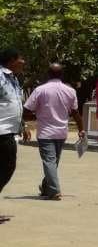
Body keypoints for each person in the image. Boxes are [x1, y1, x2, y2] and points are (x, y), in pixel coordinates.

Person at [23, 63, 80, 201]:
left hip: (45, 132)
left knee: (50, 162)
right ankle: (46, 188)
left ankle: (54, 191)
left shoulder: (40, 90)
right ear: (62, 75)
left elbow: (26, 110)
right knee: (53, 162)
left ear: (48, 74)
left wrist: (36, 115)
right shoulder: (70, 91)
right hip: (61, 132)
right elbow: (75, 112)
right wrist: (82, 129)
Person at [0, 50, 27, 224]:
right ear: (11, 60)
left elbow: (15, 104)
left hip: (9, 130)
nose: (23, 62)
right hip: (1, 131)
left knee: (5, 169)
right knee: (7, 168)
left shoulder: (13, 79)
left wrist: (22, 125)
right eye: (20, 58)